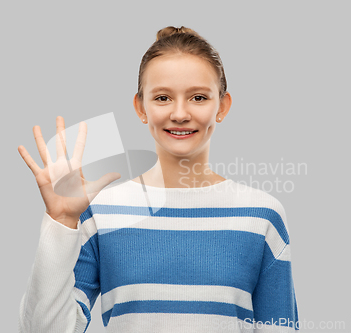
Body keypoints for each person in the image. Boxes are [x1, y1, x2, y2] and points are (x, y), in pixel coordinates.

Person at [17, 26, 299, 332]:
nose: (179, 113)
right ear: (141, 107)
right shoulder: (101, 211)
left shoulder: (261, 215)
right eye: (163, 97)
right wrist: (60, 221)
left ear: (223, 106)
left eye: (198, 97)